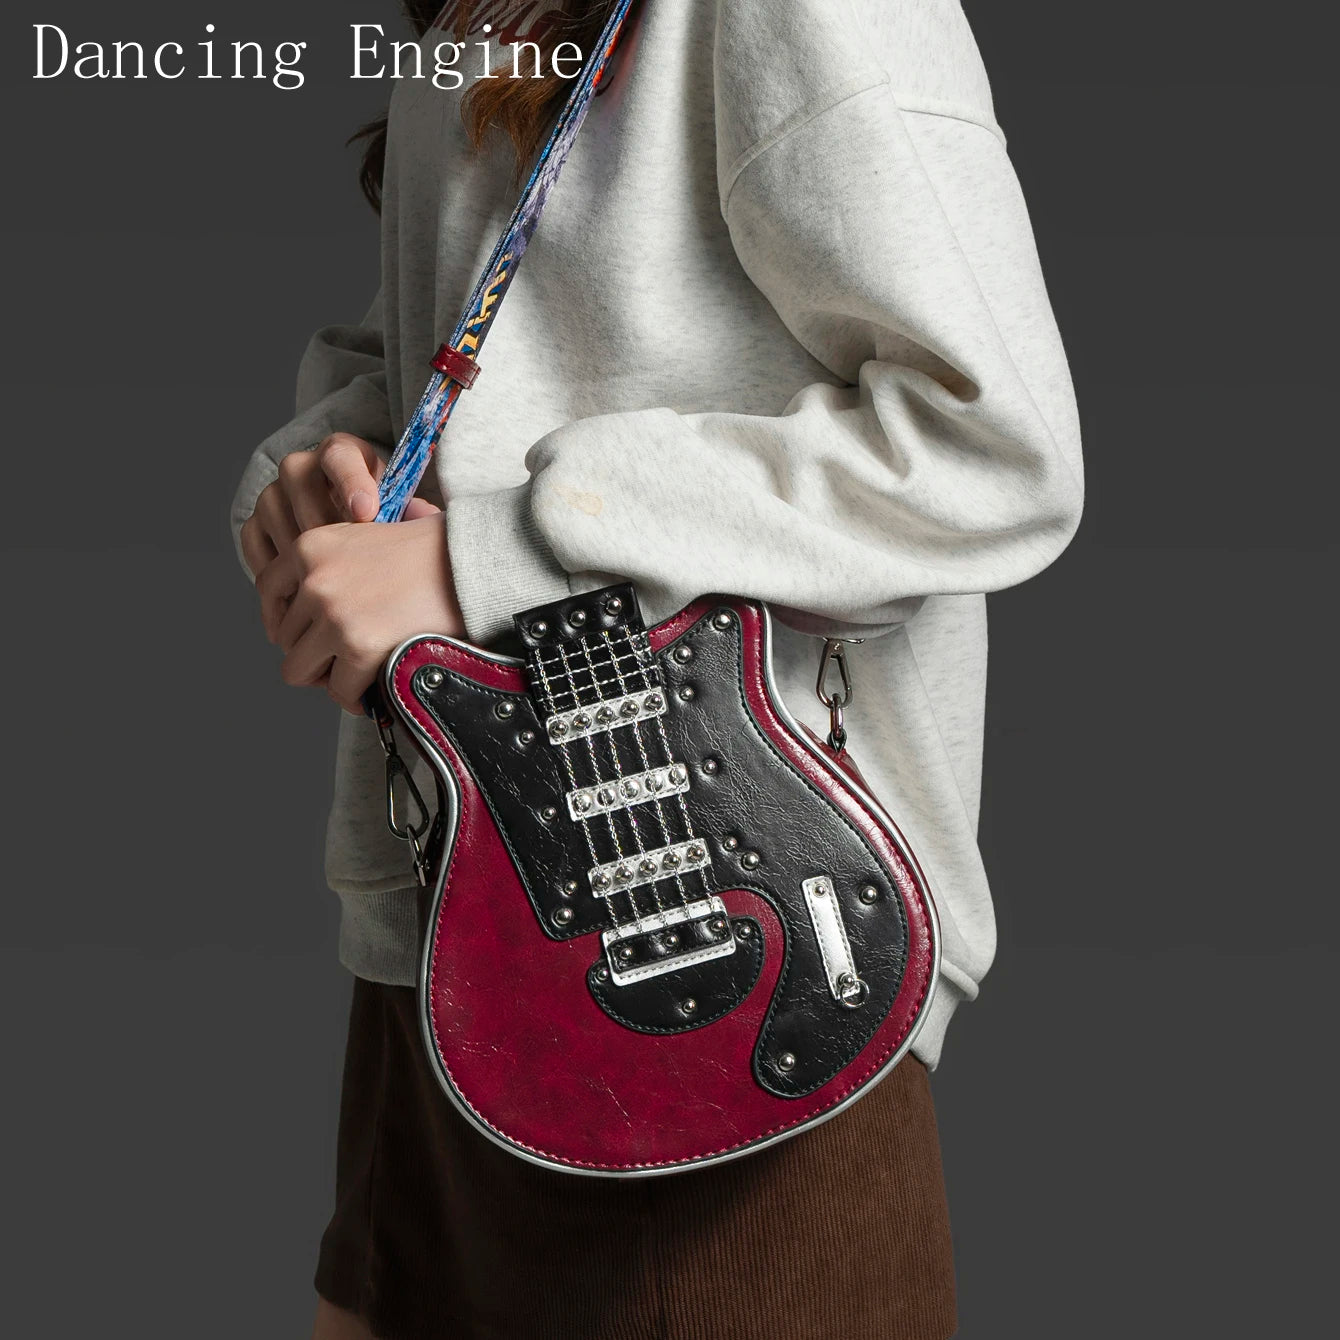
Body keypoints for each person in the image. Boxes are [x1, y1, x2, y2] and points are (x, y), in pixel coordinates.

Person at [231, 2, 1084, 1336]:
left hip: (734, 968)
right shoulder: (474, 15)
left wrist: (491, 555)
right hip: (451, 952)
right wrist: (324, 484)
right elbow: (473, 353)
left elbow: (992, 450)